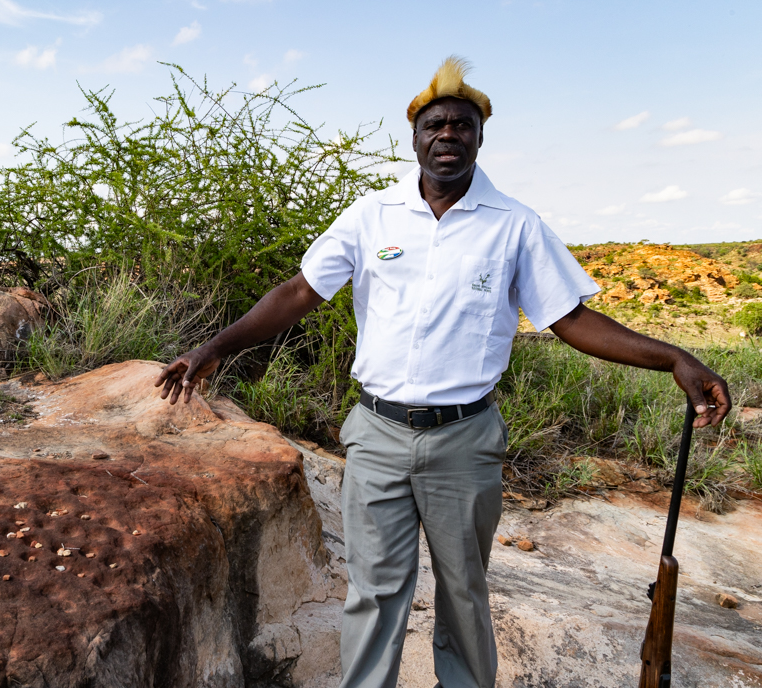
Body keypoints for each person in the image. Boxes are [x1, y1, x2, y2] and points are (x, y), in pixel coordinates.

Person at [154, 56, 731, 688]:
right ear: (414, 136)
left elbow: (571, 319)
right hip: (376, 435)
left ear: (480, 137)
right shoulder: (371, 215)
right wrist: (216, 346)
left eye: (462, 124)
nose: (447, 135)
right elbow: (298, 293)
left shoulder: (515, 226)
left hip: (464, 440)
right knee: (374, 594)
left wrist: (674, 357)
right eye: (436, 124)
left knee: (463, 595)